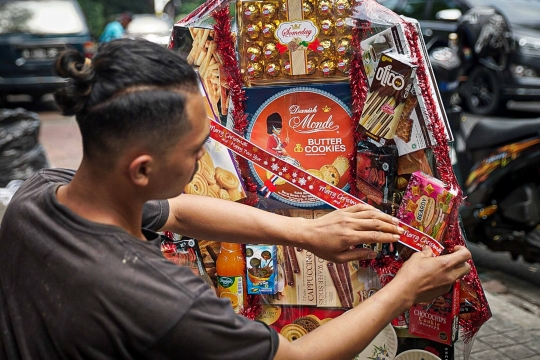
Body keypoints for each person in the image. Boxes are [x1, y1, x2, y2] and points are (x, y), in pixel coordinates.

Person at [0, 39, 471, 359]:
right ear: (142, 169)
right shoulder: (160, 297)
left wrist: (304, 233)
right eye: (194, 149)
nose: (203, 159)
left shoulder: (38, 195)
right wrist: (404, 290)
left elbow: (179, 211)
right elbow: (302, 357)